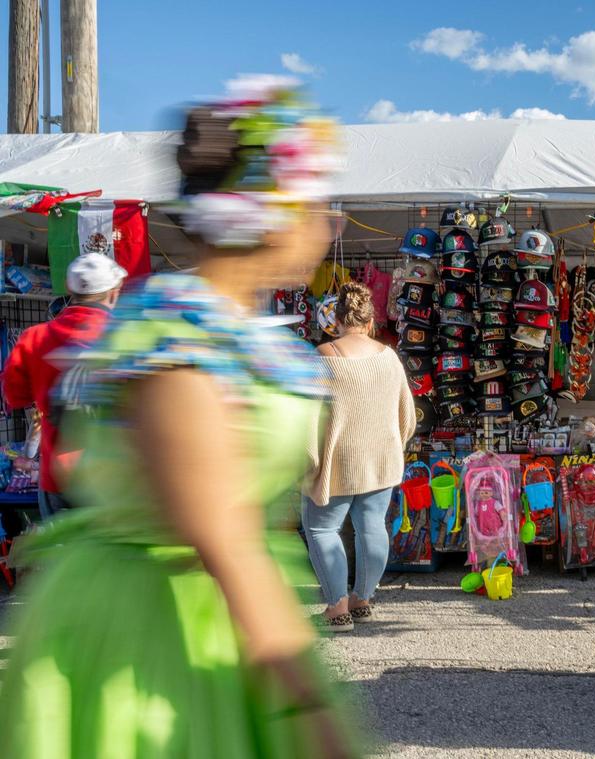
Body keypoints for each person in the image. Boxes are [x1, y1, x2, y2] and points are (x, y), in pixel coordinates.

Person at [0, 77, 356, 758]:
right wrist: (312, 713)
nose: (327, 224)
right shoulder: (177, 335)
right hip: (144, 632)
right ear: (268, 213)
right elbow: (219, 538)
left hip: (211, 618)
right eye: (315, 204)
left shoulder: (238, 334)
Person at [303, 281, 415, 632]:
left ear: (335, 321)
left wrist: (307, 463)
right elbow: (407, 417)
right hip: (380, 458)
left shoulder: (323, 358)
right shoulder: (390, 358)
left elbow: (306, 420)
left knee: (322, 529)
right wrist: (393, 444)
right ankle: (362, 600)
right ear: (370, 322)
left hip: (337, 461)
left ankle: (337, 610)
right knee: (372, 529)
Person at [2, 253, 126, 518]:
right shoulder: (127, 337)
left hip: (56, 476)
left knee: (62, 557)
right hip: (114, 480)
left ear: (70, 290)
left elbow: (15, 396)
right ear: (114, 292)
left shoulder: (33, 338)